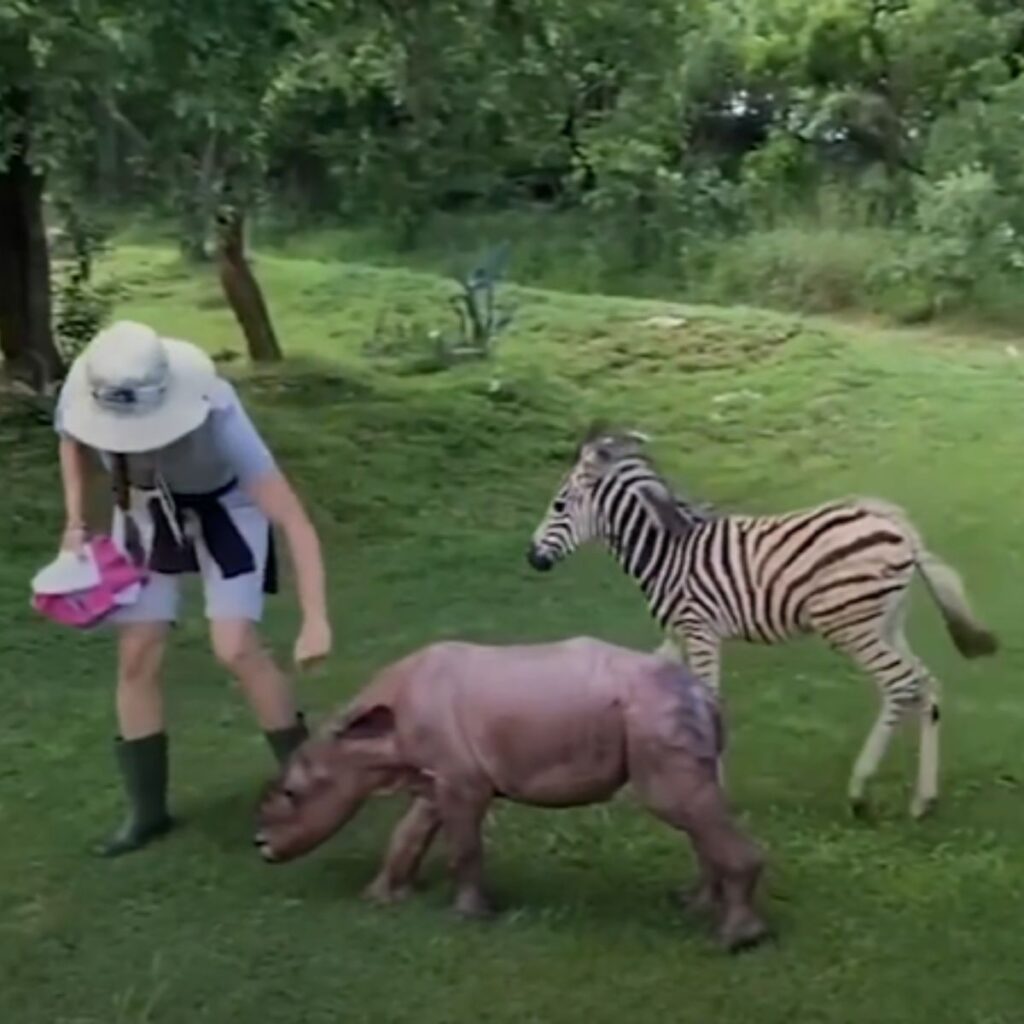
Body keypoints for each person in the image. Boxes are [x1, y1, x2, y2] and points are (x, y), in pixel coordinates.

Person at [54, 320, 332, 857]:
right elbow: (71, 439)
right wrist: (75, 523)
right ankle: (147, 811)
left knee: (235, 647)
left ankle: (310, 783)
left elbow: (294, 520)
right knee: (136, 653)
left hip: (226, 509)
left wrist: (315, 618)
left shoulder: (217, 410)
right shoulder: (84, 385)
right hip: (142, 510)